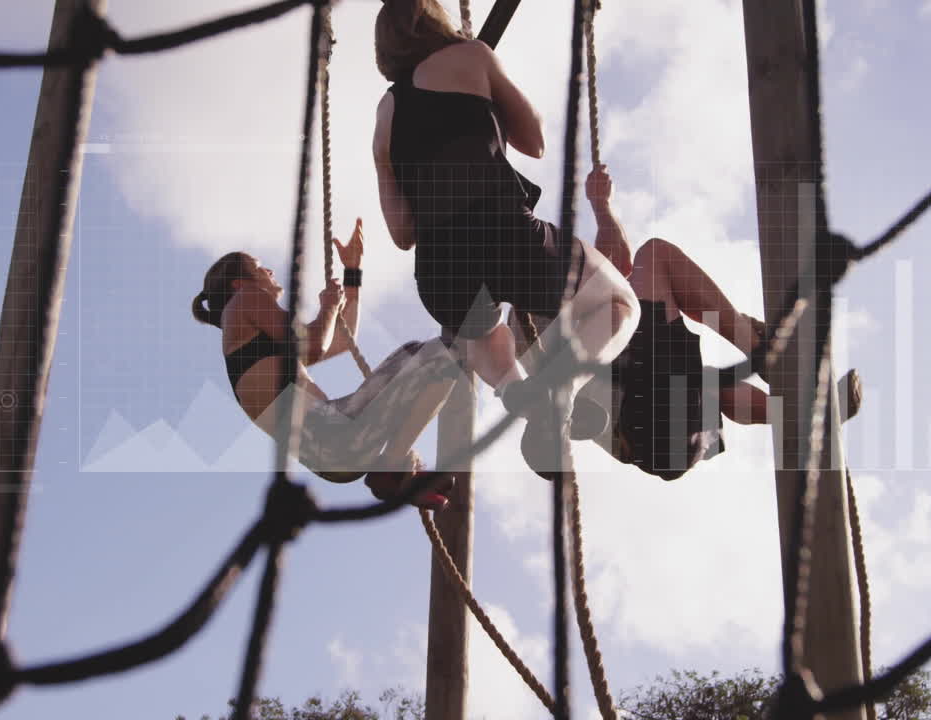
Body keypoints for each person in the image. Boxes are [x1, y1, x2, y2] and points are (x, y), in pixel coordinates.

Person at [371, 0, 640, 474]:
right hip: (503, 234)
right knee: (620, 303)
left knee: (481, 330)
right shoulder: (471, 56)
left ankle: (528, 401)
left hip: (439, 274)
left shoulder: (386, 112)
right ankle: (560, 394)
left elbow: (401, 232)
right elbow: (534, 141)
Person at [515, 165, 862, 480]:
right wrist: (601, 208)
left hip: (657, 442)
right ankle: (764, 356)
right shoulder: (537, 300)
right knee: (656, 256)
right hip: (644, 414)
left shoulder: (533, 314)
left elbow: (613, 271)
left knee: (704, 379)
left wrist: (602, 207)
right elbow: (614, 268)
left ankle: (800, 416)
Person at [192, 218, 458, 508]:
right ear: (239, 283)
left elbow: (342, 341)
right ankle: (393, 467)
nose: (269, 271)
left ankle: (396, 471)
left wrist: (352, 273)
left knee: (415, 352)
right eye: (259, 267)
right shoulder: (244, 298)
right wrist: (329, 306)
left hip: (335, 453)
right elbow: (314, 345)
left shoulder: (254, 347)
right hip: (336, 438)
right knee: (443, 355)